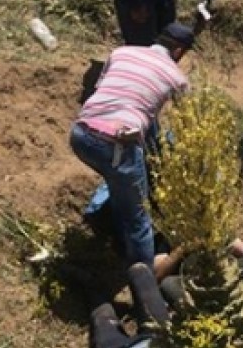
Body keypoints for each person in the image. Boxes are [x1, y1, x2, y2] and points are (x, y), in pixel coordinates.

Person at [70, 21, 195, 268]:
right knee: (138, 219)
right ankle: (144, 280)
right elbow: (187, 123)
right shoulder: (177, 78)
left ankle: (99, 217)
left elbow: (111, 95)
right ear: (179, 51)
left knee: (120, 181)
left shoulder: (121, 53)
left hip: (81, 135)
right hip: (115, 146)